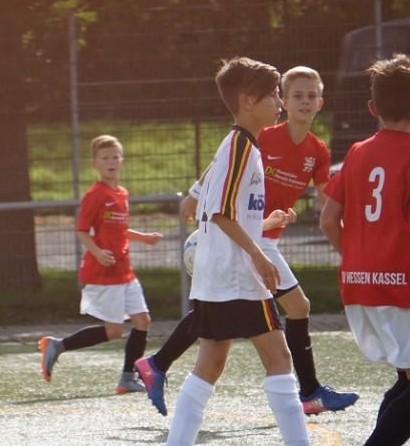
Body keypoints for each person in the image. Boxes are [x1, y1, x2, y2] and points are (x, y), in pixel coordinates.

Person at [137, 66, 359, 417]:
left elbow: (326, 204)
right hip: (249, 241)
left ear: (321, 103)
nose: (303, 102)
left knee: (217, 324)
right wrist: (196, 192)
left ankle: (157, 364)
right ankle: (309, 393)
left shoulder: (318, 152)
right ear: (284, 101)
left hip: (259, 236)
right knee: (294, 309)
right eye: (296, 95)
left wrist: (351, 227)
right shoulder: (262, 135)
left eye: (311, 96)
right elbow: (223, 163)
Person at [320, 54, 410, 446]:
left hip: (359, 284)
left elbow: (328, 219)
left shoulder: (358, 152)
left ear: (372, 107)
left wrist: (357, 259)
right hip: (402, 286)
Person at [39, 134, 162, 393]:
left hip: (124, 270)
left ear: (122, 161)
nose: (111, 162)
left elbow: (120, 230)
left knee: (142, 321)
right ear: (94, 164)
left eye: (115, 157)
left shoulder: (122, 193)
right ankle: (57, 346)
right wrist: (96, 253)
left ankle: (127, 379)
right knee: (114, 331)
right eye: (105, 158)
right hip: (105, 272)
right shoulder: (95, 195)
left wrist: (143, 238)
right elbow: (82, 230)